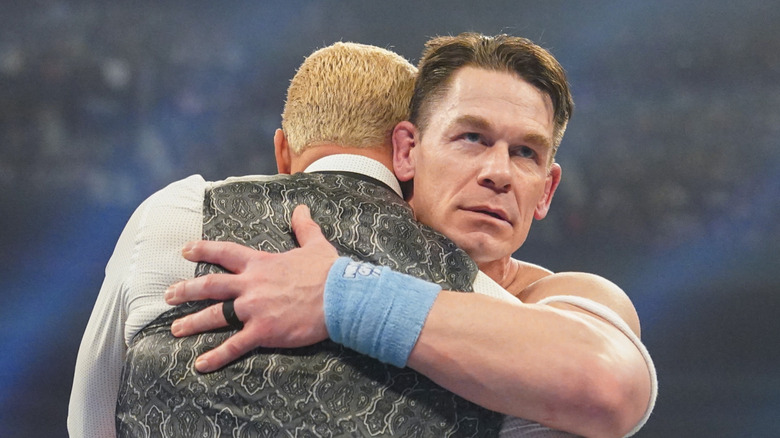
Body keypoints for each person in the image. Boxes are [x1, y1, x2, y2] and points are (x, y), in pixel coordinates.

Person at [165, 33, 657, 437]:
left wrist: (341, 294)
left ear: (546, 191)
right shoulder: (291, 264)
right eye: (472, 138)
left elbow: (609, 387)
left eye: (526, 152)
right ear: (407, 151)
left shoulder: (561, 297)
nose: (498, 172)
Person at [69, 41, 531, 438]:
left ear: (282, 150)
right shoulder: (477, 297)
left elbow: (89, 417)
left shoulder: (177, 214)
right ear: (408, 153)